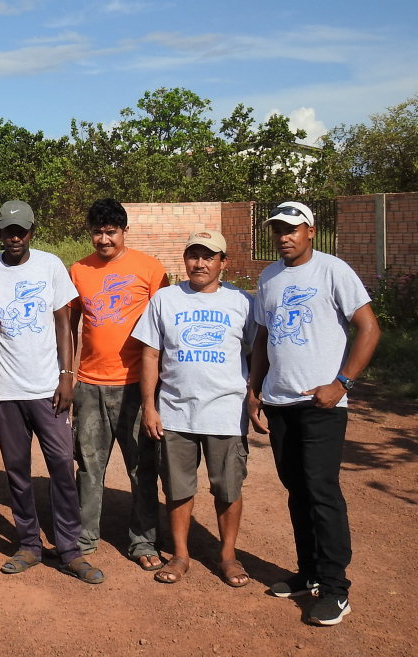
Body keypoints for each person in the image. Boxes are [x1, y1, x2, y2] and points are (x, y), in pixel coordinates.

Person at [248, 202, 380, 626]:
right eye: (277, 229)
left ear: (311, 231)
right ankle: (308, 573)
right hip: (280, 402)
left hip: (322, 403)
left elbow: (369, 327)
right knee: (296, 489)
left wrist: (342, 382)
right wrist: (254, 390)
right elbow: (263, 338)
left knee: (322, 491)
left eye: (292, 229)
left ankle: (336, 588)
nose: (283, 236)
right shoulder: (268, 277)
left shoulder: (333, 270)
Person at [0, 201, 93, 582]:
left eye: (21, 230)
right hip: (6, 392)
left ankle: (70, 548)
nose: (15, 237)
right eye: (8, 231)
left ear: (31, 230)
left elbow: (64, 323)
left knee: (61, 467)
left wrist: (66, 375)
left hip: (47, 388)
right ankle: (28, 545)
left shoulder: (50, 265)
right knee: (17, 472)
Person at [132, 230, 255, 587]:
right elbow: (151, 354)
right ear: (185, 259)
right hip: (175, 411)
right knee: (177, 487)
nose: (200, 263)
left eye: (209, 256)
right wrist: (150, 407)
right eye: (193, 255)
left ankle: (228, 556)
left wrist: (253, 395)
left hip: (226, 412)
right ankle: (181, 554)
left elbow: (256, 351)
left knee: (228, 488)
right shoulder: (165, 300)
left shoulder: (241, 301)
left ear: (223, 262)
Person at [69, 198, 168, 575]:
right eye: (97, 231)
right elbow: (68, 328)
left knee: (142, 467)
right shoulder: (78, 271)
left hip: (136, 387)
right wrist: (69, 376)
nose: (104, 239)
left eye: (111, 231)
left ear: (125, 230)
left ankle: (143, 540)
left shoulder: (150, 269)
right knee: (89, 466)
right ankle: (83, 538)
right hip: (91, 386)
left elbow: (164, 327)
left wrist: (160, 386)